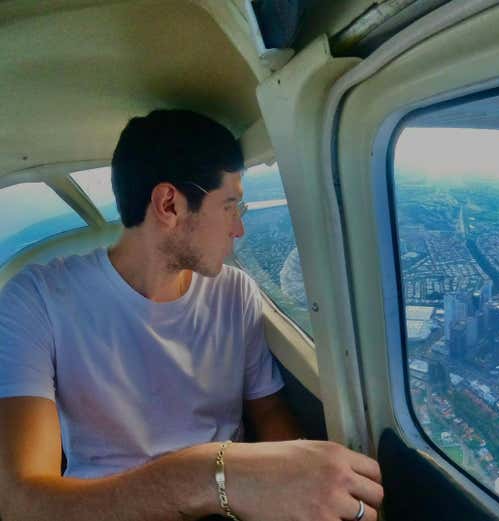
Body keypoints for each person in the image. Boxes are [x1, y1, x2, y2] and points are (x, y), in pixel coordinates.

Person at [0, 109, 383, 521]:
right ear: (169, 204)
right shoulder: (36, 299)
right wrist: (212, 477)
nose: (239, 229)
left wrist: (294, 484)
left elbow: (268, 412)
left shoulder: (236, 293)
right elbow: (22, 503)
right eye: (230, 206)